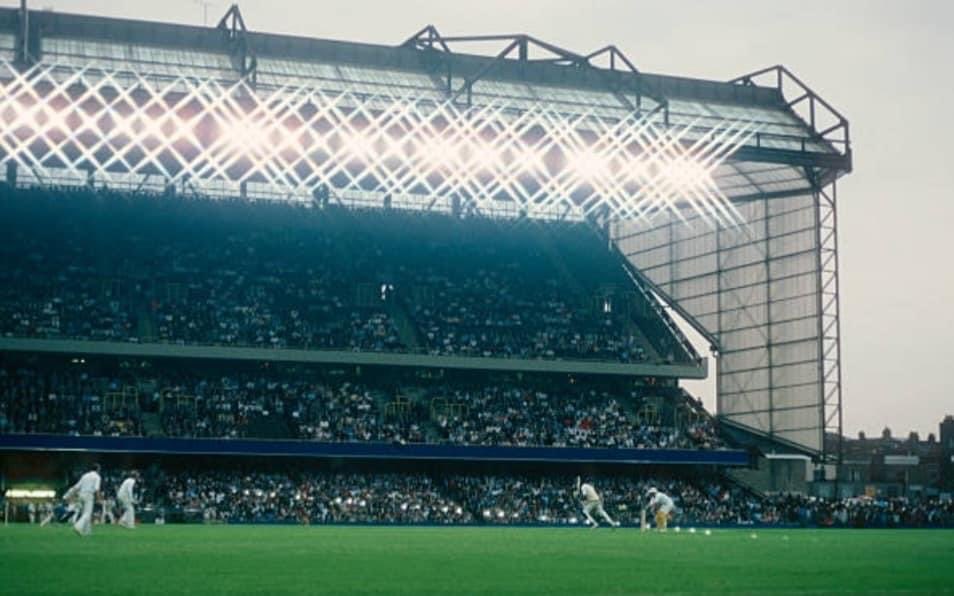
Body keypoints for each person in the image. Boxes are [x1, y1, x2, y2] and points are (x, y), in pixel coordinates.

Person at [69, 463, 102, 536]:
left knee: (85, 514)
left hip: (81, 495)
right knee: (87, 514)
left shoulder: (85, 475)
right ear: (98, 469)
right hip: (89, 495)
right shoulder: (97, 477)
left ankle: (87, 532)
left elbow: (77, 486)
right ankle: (77, 526)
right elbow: (97, 489)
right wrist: (99, 499)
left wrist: (71, 494)